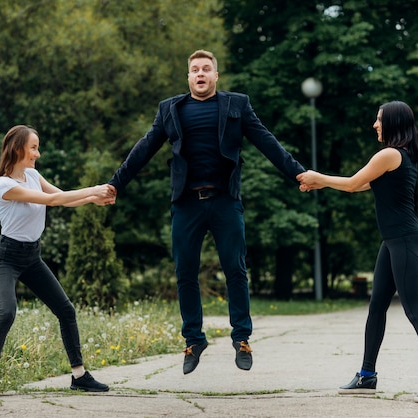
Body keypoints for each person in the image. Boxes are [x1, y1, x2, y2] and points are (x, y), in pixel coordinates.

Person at [107, 50, 305, 374]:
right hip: (186, 203)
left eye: (206, 69)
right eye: (195, 70)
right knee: (185, 272)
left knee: (235, 270)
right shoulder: (170, 109)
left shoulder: (237, 105)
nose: (200, 74)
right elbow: (143, 148)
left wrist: (297, 173)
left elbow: (267, 141)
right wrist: (116, 184)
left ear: (216, 76)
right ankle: (193, 340)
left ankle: (241, 338)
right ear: (188, 77)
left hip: (225, 201)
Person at [297, 101, 418, 404]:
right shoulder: (399, 156)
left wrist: (319, 177)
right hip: (393, 240)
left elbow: (354, 183)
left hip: (404, 240)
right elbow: (365, 185)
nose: (374, 125)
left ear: (392, 123)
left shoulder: (390, 154)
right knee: (376, 306)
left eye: (379, 120)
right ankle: (367, 375)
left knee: (414, 311)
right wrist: (323, 184)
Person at [0, 125, 114, 398]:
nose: (37, 154)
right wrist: (95, 188)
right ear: (17, 149)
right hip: (6, 257)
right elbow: (52, 200)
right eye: (33, 148)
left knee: (66, 310)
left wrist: (91, 199)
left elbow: (62, 197)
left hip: (32, 257)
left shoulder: (32, 174)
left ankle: (79, 376)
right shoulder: (4, 184)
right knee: (6, 312)